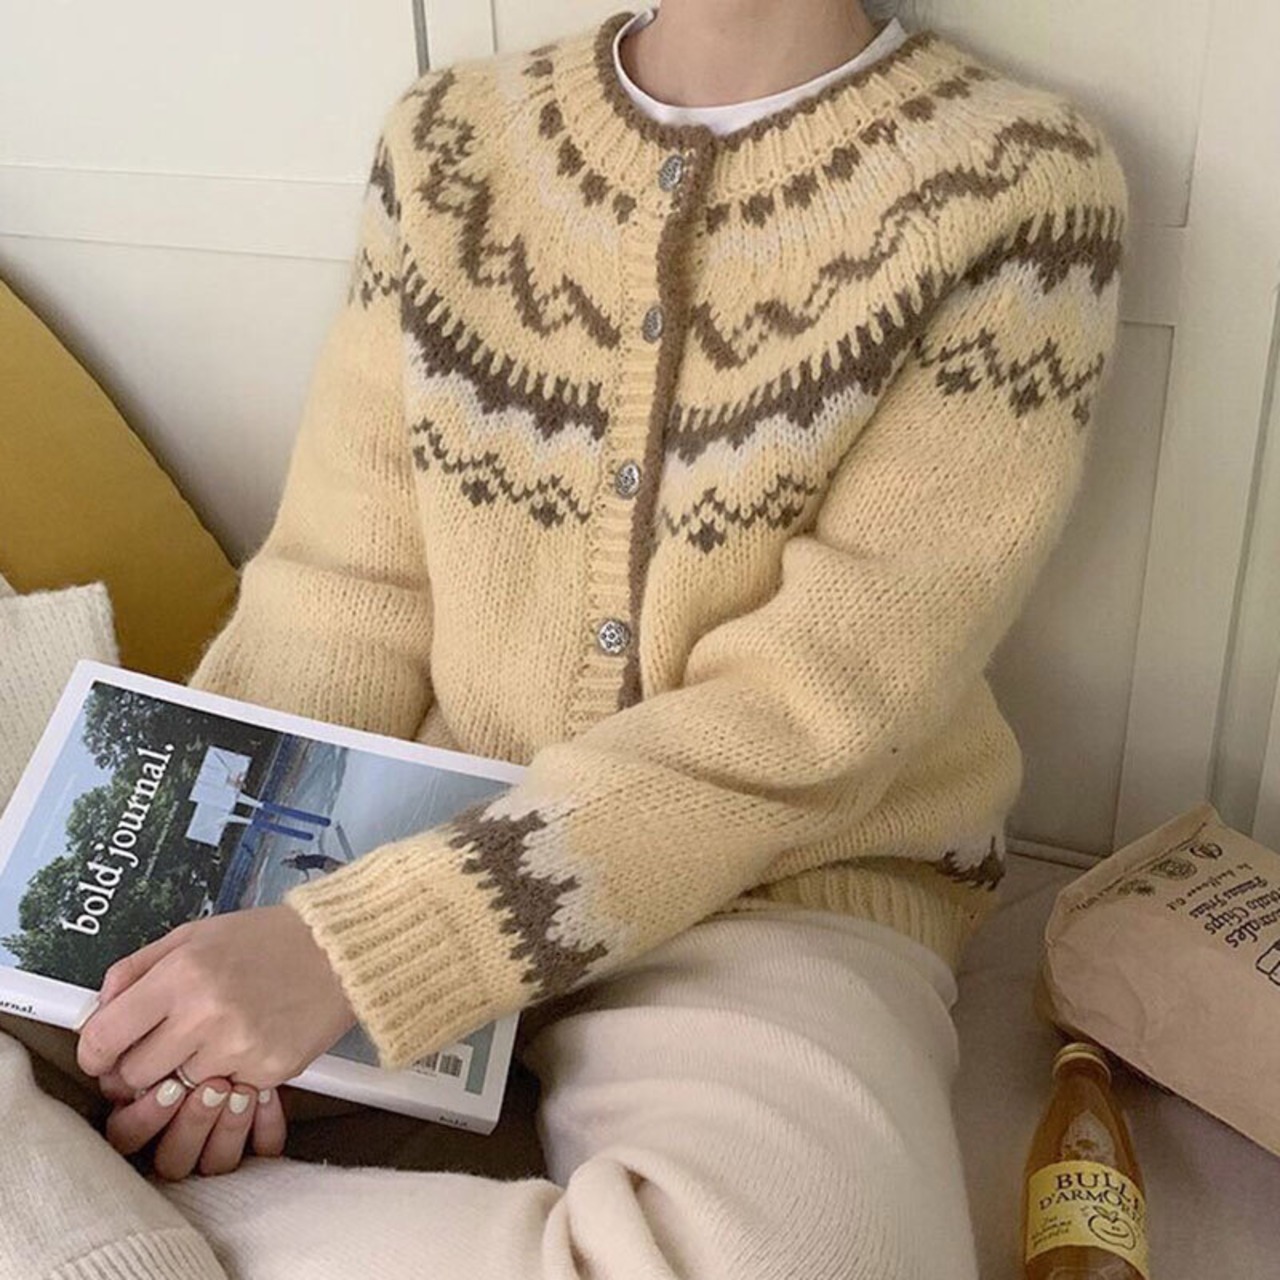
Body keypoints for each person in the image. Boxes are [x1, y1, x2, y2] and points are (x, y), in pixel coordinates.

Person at [0, 2, 1129, 1276]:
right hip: (396, 819)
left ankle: (126, 1230)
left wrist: (360, 953)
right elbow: (342, 584)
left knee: (811, 1254)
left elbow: (818, 703)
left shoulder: (1016, 178)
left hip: (770, 884)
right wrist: (237, 922)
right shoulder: (449, 141)